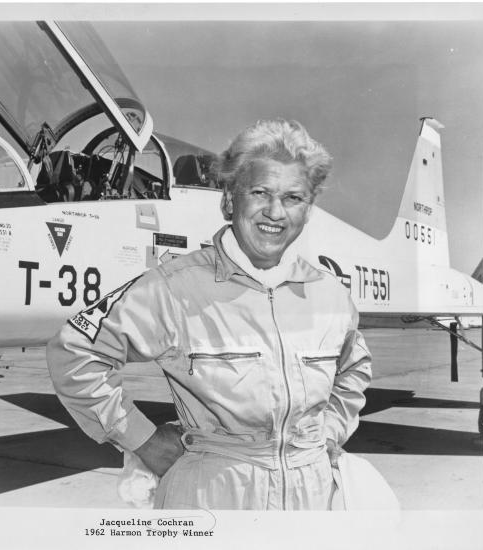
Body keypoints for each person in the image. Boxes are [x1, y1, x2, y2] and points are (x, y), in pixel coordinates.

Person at [46, 119, 372, 510]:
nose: (275, 212)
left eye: (293, 198)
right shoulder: (172, 287)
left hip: (312, 500)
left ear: (308, 209)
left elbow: (354, 369)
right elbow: (75, 353)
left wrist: (329, 434)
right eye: (259, 192)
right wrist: (140, 439)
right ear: (230, 200)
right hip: (211, 501)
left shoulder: (330, 296)